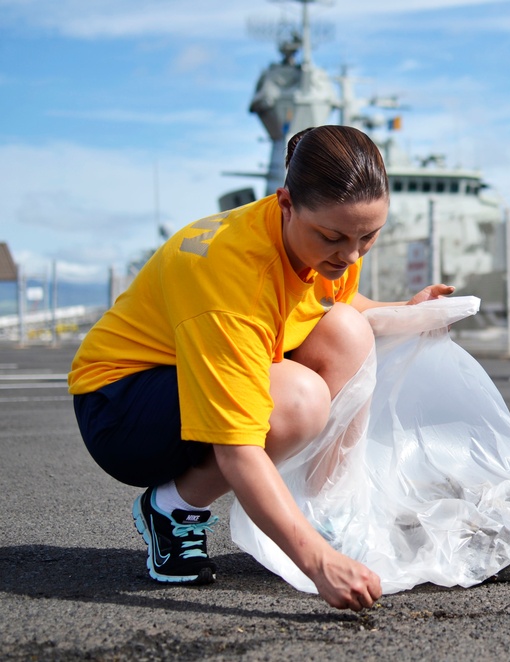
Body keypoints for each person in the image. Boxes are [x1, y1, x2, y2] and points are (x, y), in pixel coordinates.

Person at [68, 124, 454, 612]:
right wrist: (318, 565)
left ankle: (325, 515)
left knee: (347, 332)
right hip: (122, 407)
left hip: (184, 375)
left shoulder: (324, 240)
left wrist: (409, 310)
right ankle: (173, 508)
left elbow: (335, 302)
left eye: (369, 236)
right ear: (286, 202)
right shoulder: (232, 279)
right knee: (298, 400)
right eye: (334, 237)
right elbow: (238, 449)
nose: (351, 254)